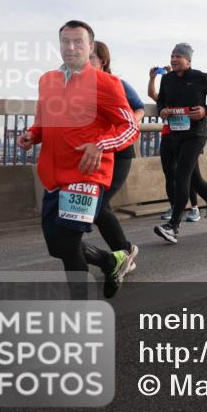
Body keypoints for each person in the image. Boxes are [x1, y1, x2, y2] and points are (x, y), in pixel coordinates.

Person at [17, 21, 139, 299]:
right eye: (65, 42)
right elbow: (43, 120)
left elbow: (130, 127)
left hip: (87, 176)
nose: (71, 47)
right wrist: (32, 135)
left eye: (78, 42)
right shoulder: (47, 80)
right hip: (53, 175)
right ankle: (112, 261)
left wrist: (100, 145)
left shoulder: (107, 83)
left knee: (69, 245)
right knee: (56, 247)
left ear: (90, 47)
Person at [152, 43, 207, 243]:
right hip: (175, 134)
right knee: (194, 179)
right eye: (172, 55)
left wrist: (206, 110)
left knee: (181, 175)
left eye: (178, 56)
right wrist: (162, 110)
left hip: (196, 134)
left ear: (188, 60)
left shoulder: (200, 77)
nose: (173, 59)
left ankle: (173, 226)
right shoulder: (167, 79)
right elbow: (161, 101)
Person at [89, 41, 142, 276]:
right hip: (96, 154)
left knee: (97, 206)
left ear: (103, 61)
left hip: (118, 153)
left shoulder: (116, 84)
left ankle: (124, 252)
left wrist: (129, 124)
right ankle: (122, 252)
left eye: (90, 58)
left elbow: (139, 107)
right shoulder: (79, 88)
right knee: (100, 206)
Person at [149, 67, 203, 223]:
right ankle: (174, 207)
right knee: (170, 174)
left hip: (187, 137)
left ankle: (194, 208)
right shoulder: (165, 100)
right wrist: (153, 78)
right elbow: (153, 95)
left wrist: (173, 74)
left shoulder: (185, 95)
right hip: (168, 136)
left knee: (190, 174)